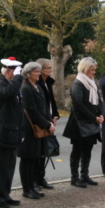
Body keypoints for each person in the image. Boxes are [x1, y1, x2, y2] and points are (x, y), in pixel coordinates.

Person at [0, 57, 24, 208]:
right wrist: (17, 78)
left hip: (12, 132)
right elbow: (9, 93)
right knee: (0, 167)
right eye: (15, 73)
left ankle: (5, 194)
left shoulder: (9, 84)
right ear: (8, 71)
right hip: (2, 133)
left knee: (9, 166)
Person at [63, 57, 103, 188]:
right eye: (92, 69)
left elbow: (98, 99)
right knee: (77, 150)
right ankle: (74, 178)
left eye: (94, 69)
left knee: (88, 149)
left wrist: (101, 114)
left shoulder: (92, 82)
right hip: (79, 123)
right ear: (85, 69)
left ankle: (84, 175)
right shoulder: (78, 84)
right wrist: (94, 118)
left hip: (92, 121)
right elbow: (78, 105)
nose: (94, 72)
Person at [19, 62, 55, 199]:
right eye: (36, 72)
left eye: (39, 71)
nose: (39, 74)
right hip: (30, 129)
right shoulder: (26, 88)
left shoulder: (37, 87)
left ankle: (33, 186)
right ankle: (26, 188)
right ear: (28, 73)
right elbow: (31, 110)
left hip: (41, 126)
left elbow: (44, 107)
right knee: (27, 158)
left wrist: (50, 120)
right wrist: (46, 124)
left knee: (35, 158)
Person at [35, 58, 60, 190]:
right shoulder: (36, 84)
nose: (51, 70)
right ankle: (35, 180)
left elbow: (51, 101)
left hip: (49, 119)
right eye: (49, 68)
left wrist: (55, 116)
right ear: (41, 70)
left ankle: (41, 178)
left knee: (44, 151)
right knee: (37, 153)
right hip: (41, 121)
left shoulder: (47, 83)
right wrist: (47, 121)